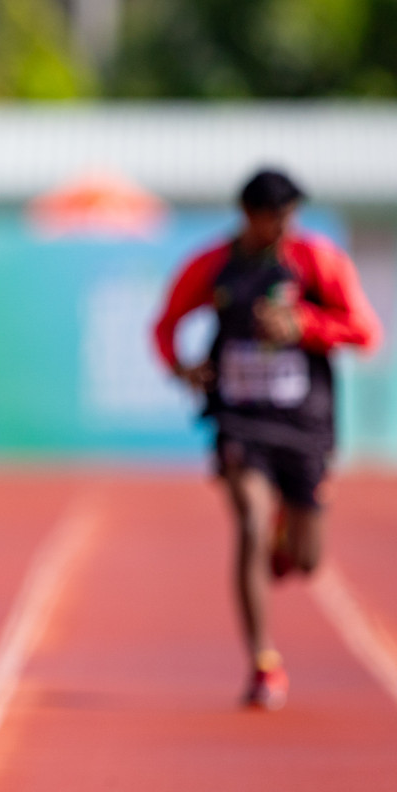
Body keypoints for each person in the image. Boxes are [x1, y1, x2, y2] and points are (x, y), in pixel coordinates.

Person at [153, 168, 380, 711]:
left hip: (305, 422)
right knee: (248, 524)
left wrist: (305, 326)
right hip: (241, 418)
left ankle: (288, 526)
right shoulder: (214, 266)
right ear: (248, 215)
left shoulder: (317, 262)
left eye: (290, 215)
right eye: (275, 216)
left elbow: (366, 333)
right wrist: (181, 369)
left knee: (306, 563)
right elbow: (165, 325)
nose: (284, 225)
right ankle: (263, 663)